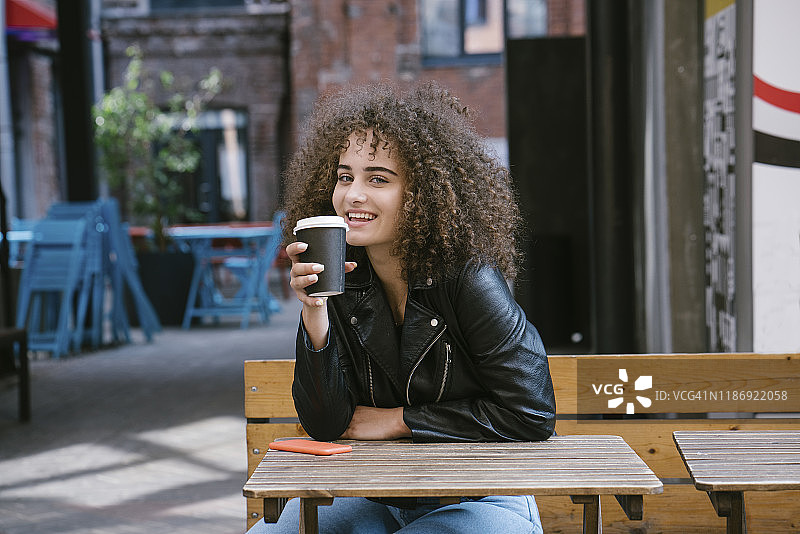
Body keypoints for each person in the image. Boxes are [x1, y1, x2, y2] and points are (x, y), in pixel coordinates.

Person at [248, 82, 556, 534]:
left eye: (378, 179)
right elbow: (327, 425)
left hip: (481, 496)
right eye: (344, 176)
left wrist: (400, 421)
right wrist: (314, 313)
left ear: (423, 194)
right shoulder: (342, 277)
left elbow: (532, 412)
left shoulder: (468, 280)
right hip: (373, 494)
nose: (353, 195)